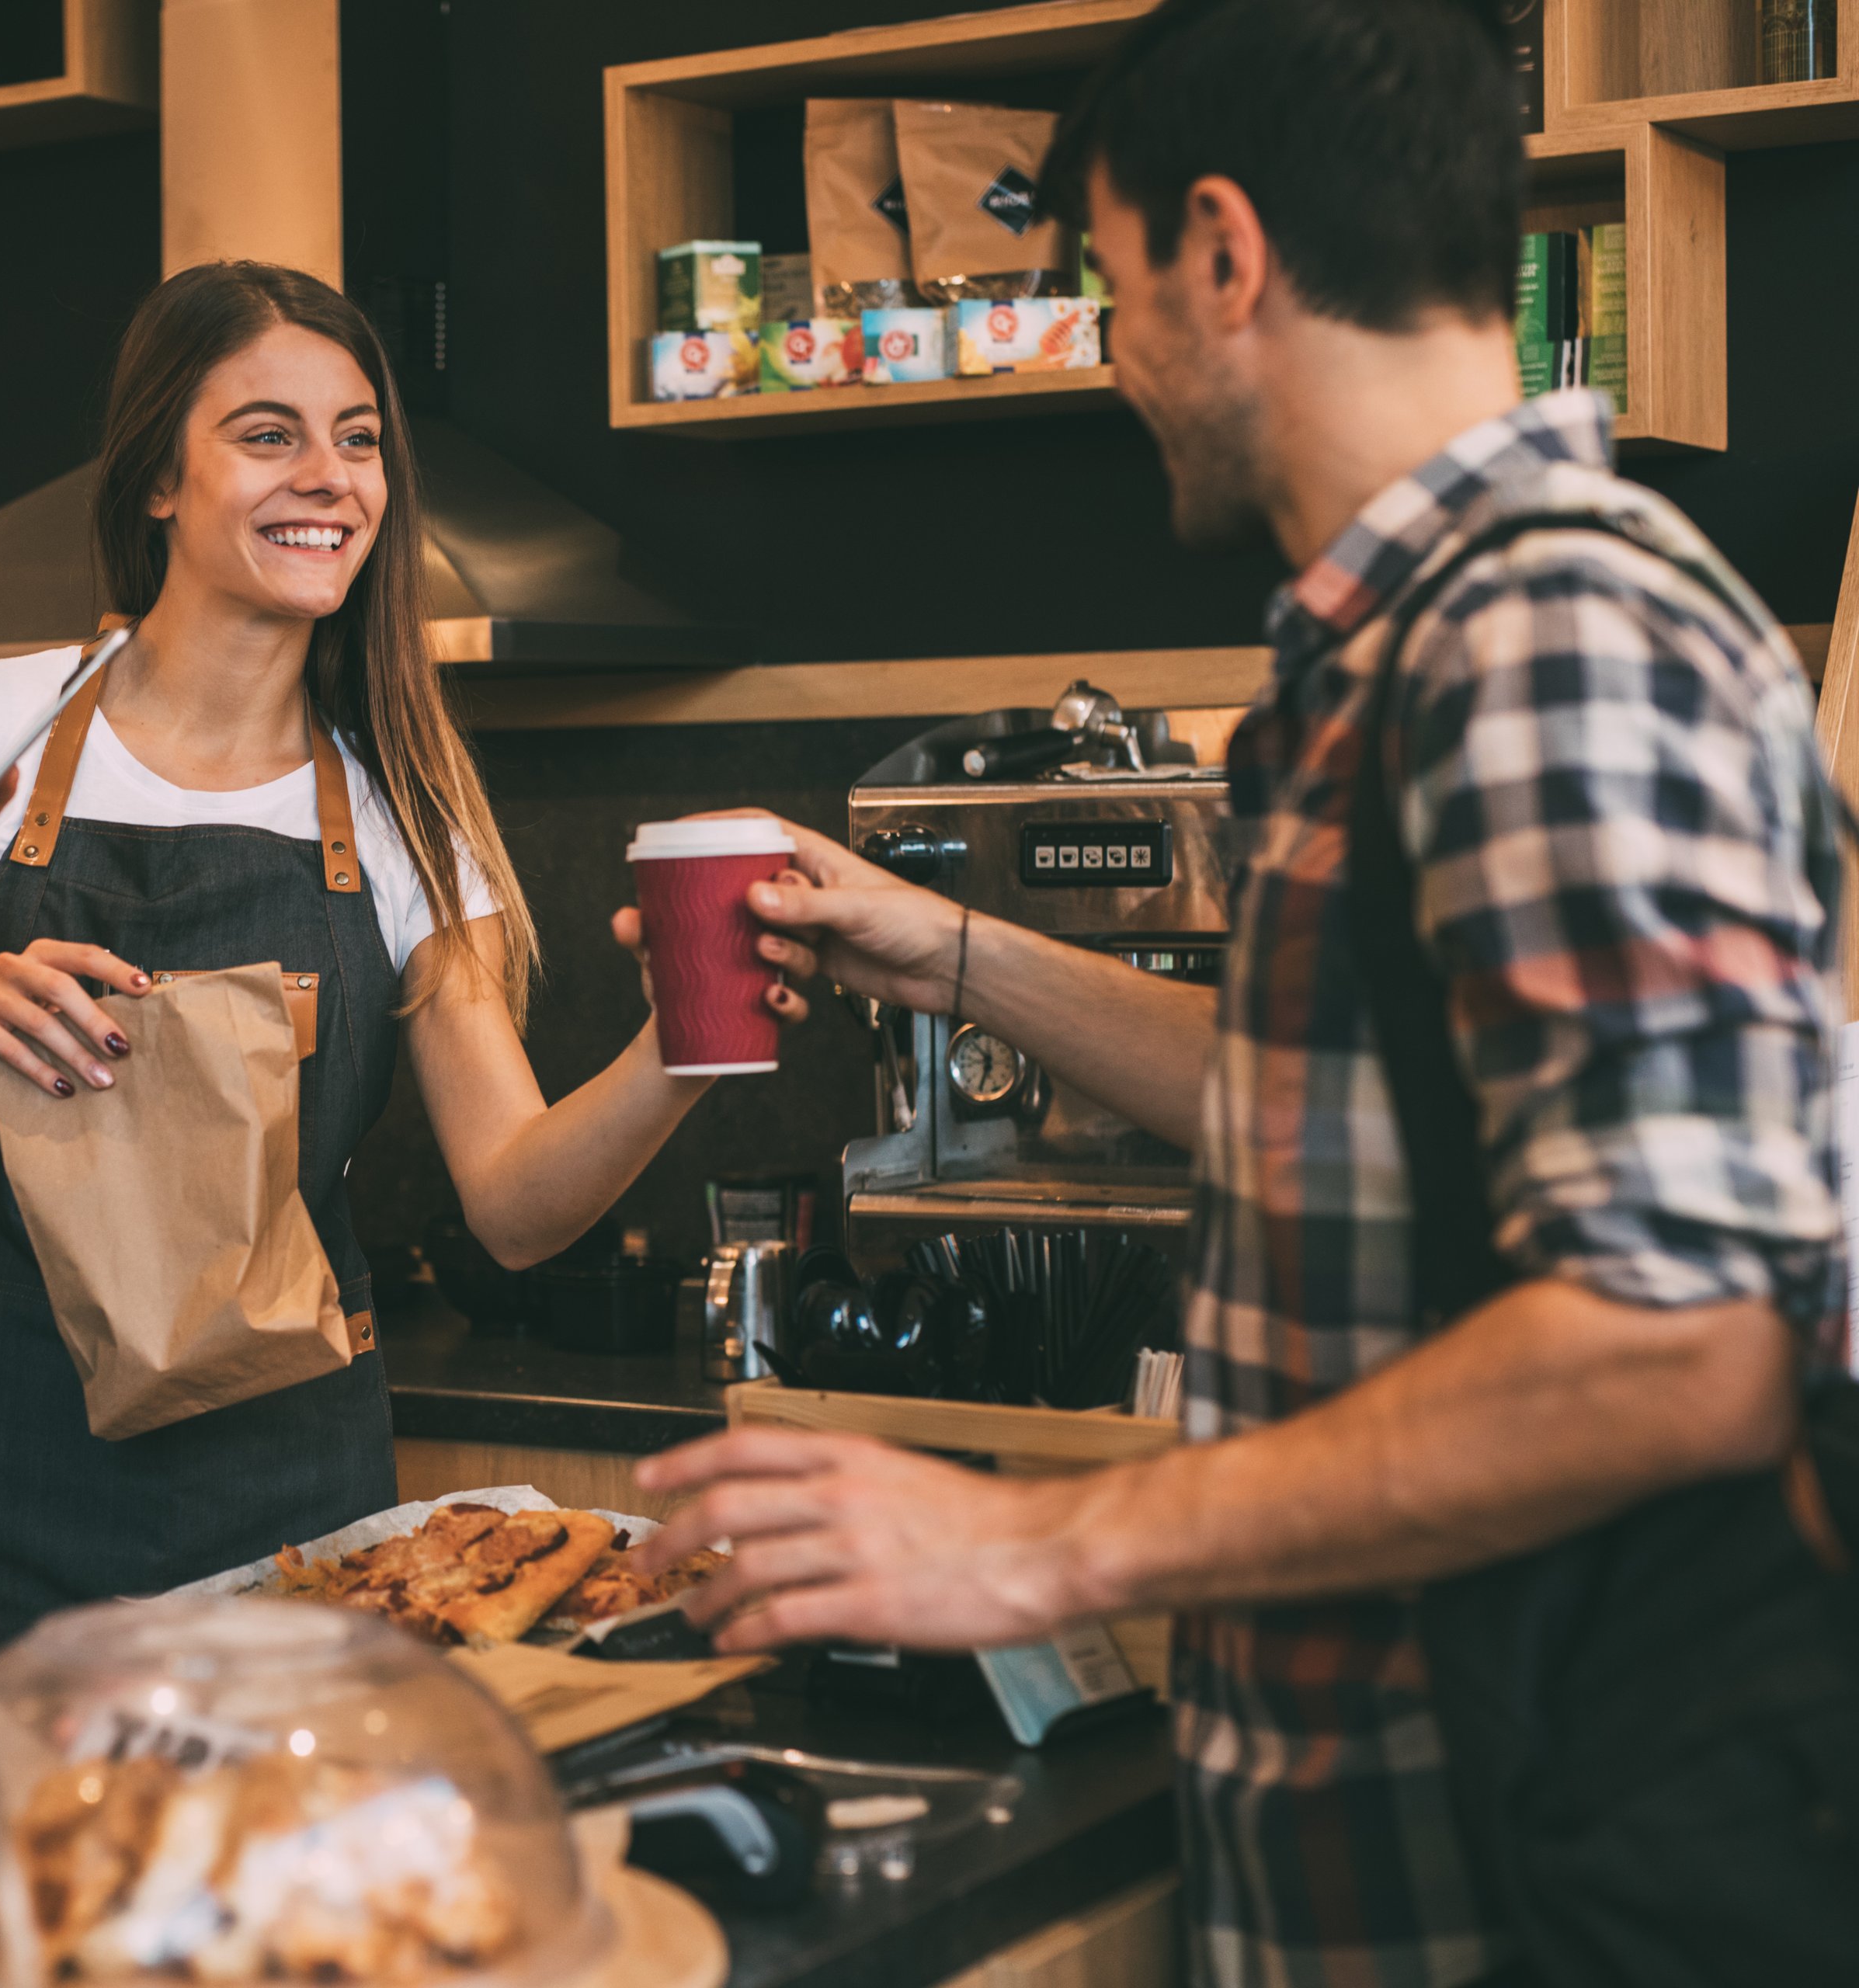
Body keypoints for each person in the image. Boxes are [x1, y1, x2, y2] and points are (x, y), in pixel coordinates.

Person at [633, 2, 1845, 1982]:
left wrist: (1039, 1540)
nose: (1115, 357)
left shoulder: (1546, 634)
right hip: (1387, 1863)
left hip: (1525, 1882)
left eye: (1109, 289)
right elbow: (1327, 1111)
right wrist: (937, 945)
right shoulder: (1400, 653)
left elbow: (1673, 1335)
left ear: (1223, 252)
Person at [0, 261, 812, 1673]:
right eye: (268, 434)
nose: (328, 477)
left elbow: (516, 1208)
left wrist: (685, 1046)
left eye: (358, 437)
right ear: (158, 475)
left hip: (288, 1530)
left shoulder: (402, 808)